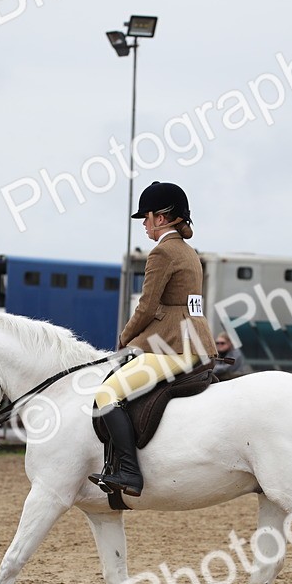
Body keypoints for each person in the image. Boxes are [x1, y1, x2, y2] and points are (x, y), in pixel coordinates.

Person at [88, 181, 214, 497]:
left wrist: (125, 336)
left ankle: (129, 471)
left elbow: (146, 307)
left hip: (174, 347)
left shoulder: (162, 252)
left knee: (107, 393)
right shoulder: (188, 252)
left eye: (146, 217)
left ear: (161, 217)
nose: (144, 224)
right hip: (194, 340)